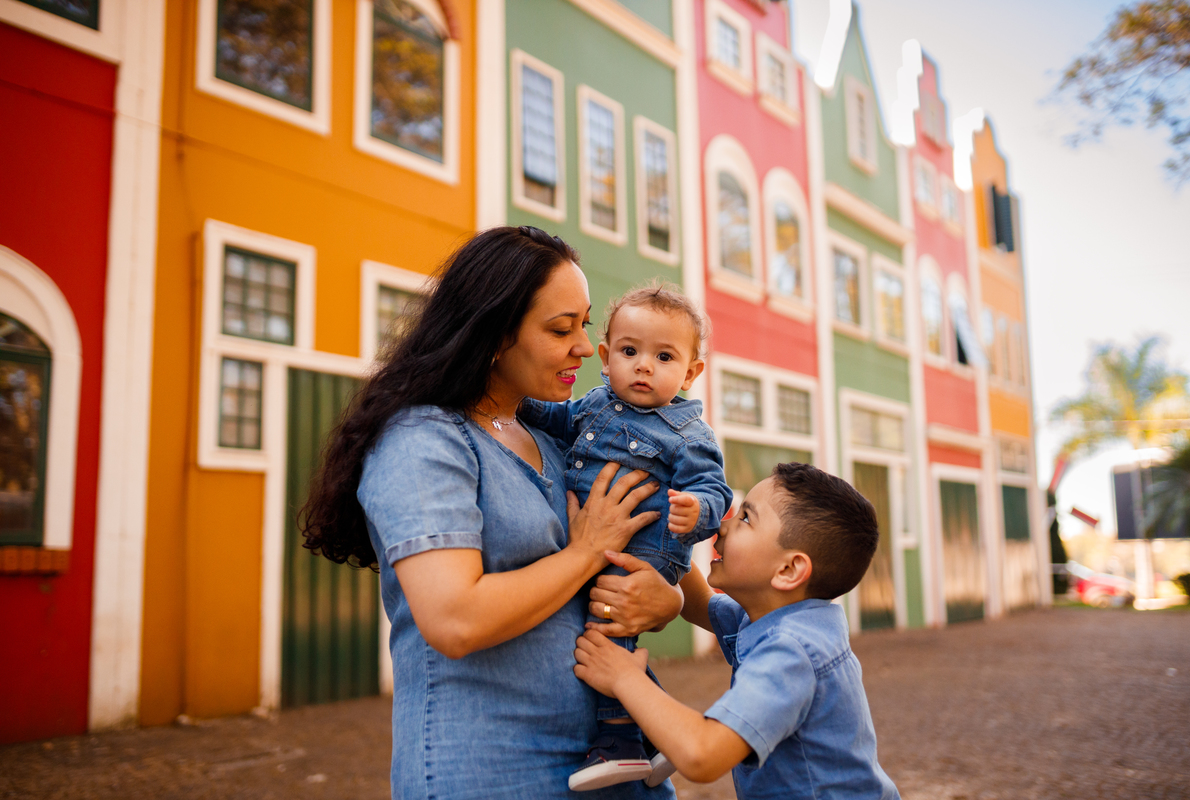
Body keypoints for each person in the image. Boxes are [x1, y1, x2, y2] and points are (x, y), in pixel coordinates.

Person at [300, 226, 683, 799]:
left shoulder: (556, 436)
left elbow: (637, 540)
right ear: (495, 333)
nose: (585, 347)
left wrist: (667, 599)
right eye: (561, 329)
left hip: (616, 766)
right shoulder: (425, 440)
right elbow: (455, 620)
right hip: (492, 770)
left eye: (584, 325)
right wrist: (582, 554)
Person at [573, 463, 902, 800]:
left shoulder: (791, 651)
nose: (722, 524)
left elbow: (703, 755)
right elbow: (700, 603)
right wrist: (657, 531)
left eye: (745, 517)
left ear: (789, 570)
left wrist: (624, 678)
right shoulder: (776, 617)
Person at [520, 283, 732, 791]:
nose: (643, 366)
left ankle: (618, 742)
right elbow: (553, 417)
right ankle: (654, 737)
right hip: (606, 542)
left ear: (691, 372)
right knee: (604, 628)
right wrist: (514, 402)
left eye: (664, 357)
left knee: (606, 632)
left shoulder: (686, 432)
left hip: (645, 549)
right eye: (630, 351)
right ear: (606, 355)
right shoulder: (593, 403)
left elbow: (715, 489)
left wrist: (697, 509)